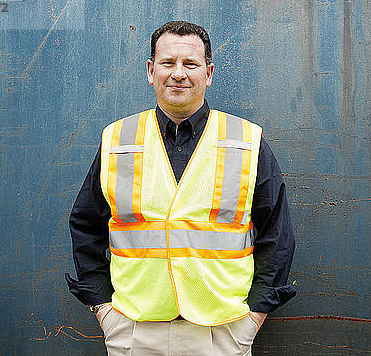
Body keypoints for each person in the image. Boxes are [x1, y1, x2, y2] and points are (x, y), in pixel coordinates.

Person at [65, 20, 295, 355]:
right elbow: (85, 226)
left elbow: (277, 234)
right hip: (135, 330)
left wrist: (252, 319)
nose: (178, 73)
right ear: (150, 70)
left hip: (222, 332)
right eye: (168, 63)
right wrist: (105, 311)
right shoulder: (118, 140)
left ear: (209, 73)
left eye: (190, 64)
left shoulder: (246, 141)